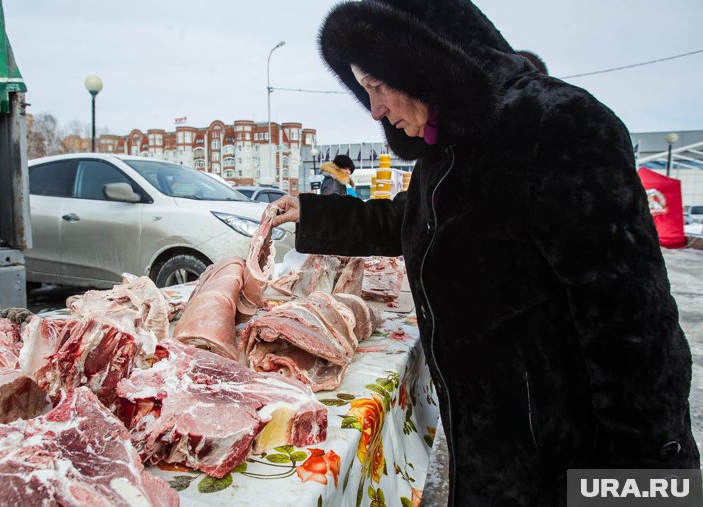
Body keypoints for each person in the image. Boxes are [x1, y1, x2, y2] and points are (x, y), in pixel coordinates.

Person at [271, 0, 699, 504]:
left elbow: (634, 325)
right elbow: (410, 221)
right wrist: (315, 212)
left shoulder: (555, 125)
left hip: (568, 462)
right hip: (490, 453)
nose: (376, 110)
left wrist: (645, 484)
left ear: (422, 62)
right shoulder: (448, 152)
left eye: (378, 86)